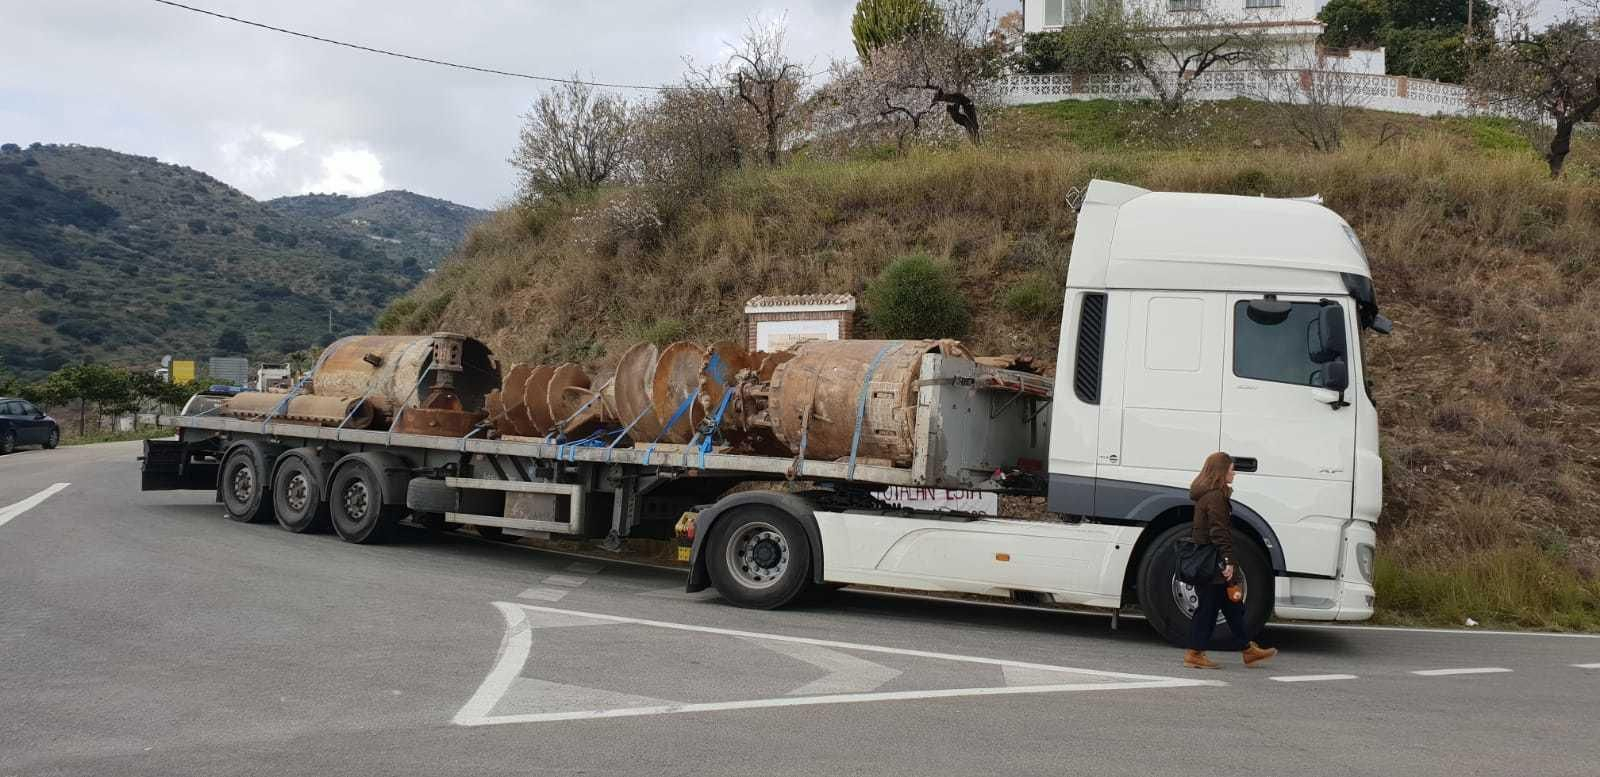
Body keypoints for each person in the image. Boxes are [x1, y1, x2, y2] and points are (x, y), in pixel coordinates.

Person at [1183, 451, 1278, 670]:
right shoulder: (1215, 497)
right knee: (1208, 608)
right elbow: (1219, 533)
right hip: (1214, 562)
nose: (1234, 472)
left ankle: (1248, 649)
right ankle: (1195, 653)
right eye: (1231, 468)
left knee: (1232, 604)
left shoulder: (1211, 494)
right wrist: (1228, 561)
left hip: (1212, 560)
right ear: (1221, 471)